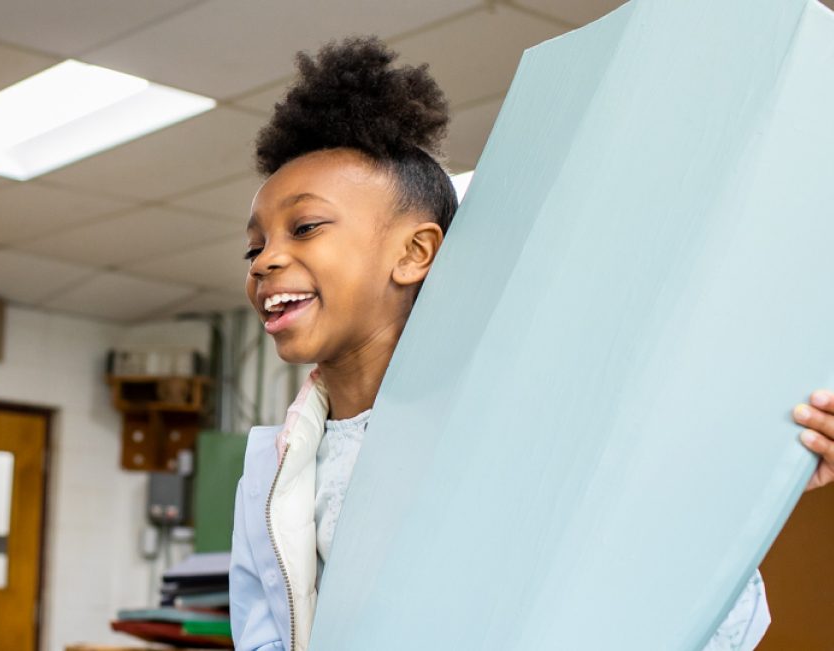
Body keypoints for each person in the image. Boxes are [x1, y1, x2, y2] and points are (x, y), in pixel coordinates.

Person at [226, 36, 834, 651]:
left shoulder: (521, 427)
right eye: (255, 246)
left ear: (415, 253)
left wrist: (753, 488)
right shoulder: (268, 472)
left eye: (305, 228)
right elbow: (265, 638)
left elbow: (689, 619)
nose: (266, 260)